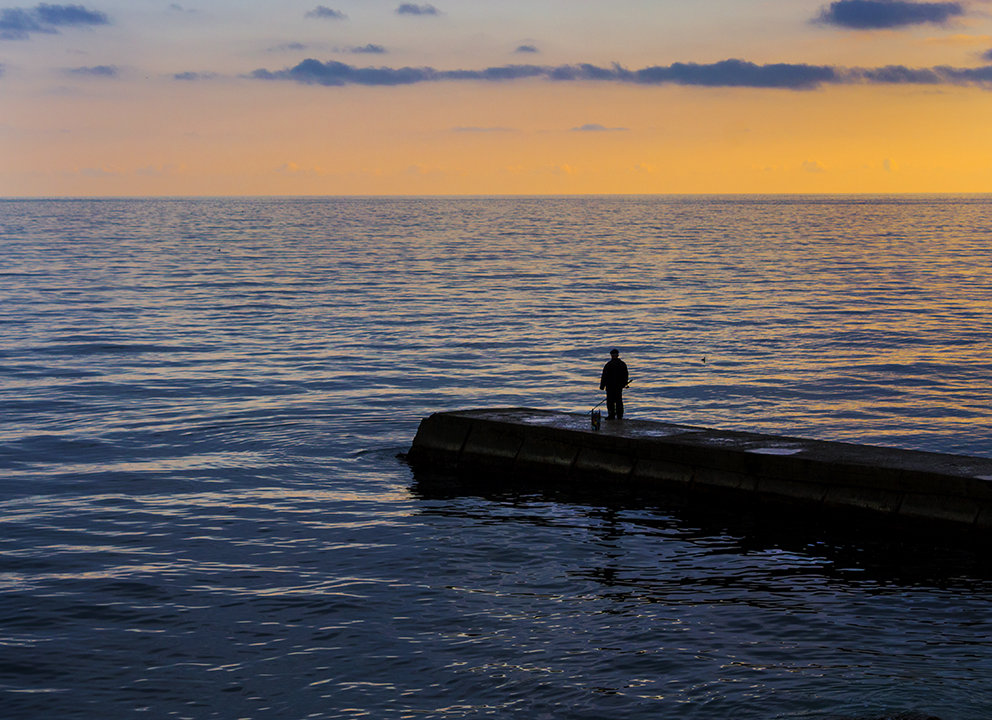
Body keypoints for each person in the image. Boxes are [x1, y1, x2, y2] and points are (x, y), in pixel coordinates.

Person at [599, 348, 629, 420]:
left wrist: (602, 386)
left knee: (611, 401)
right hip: (617, 386)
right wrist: (624, 383)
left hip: (611, 386)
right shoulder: (622, 364)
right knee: (618, 401)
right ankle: (619, 416)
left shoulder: (609, 364)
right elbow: (625, 375)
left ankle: (612, 415)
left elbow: (604, 376)